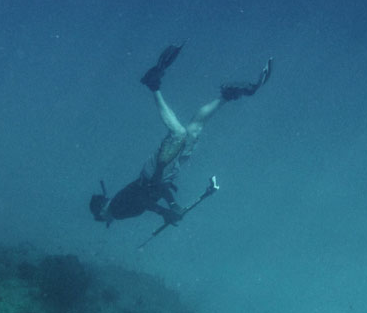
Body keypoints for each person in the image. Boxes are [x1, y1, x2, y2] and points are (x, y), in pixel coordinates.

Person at [90, 44, 271, 227]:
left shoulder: (115, 211)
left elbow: (142, 201)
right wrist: (170, 203)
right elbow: (154, 192)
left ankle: (153, 84)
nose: (104, 221)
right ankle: (226, 96)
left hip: (156, 173)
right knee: (194, 130)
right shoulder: (116, 205)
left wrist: (167, 210)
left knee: (179, 133)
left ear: (101, 212)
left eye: (99, 219)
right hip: (162, 176)